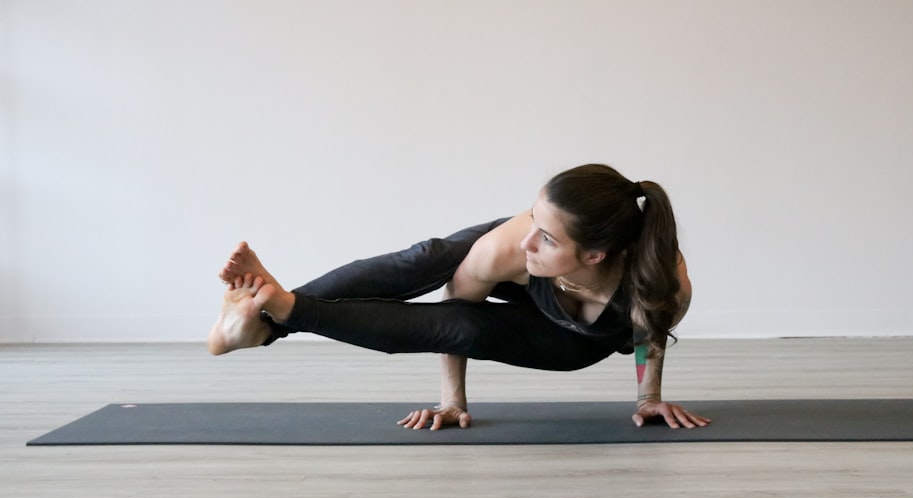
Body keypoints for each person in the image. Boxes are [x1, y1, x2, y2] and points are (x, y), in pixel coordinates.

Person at [208, 163, 711, 431]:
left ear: (596, 256)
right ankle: (270, 317)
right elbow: (455, 309)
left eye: (549, 239)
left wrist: (649, 399)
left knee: (472, 329)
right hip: (516, 281)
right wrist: (452, 400)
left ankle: (275, 312)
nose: (527, 242)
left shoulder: (664, 284)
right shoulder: (508, 247)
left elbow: (649, 332)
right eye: (534, 221)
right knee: (429, 258)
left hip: (570, 342)